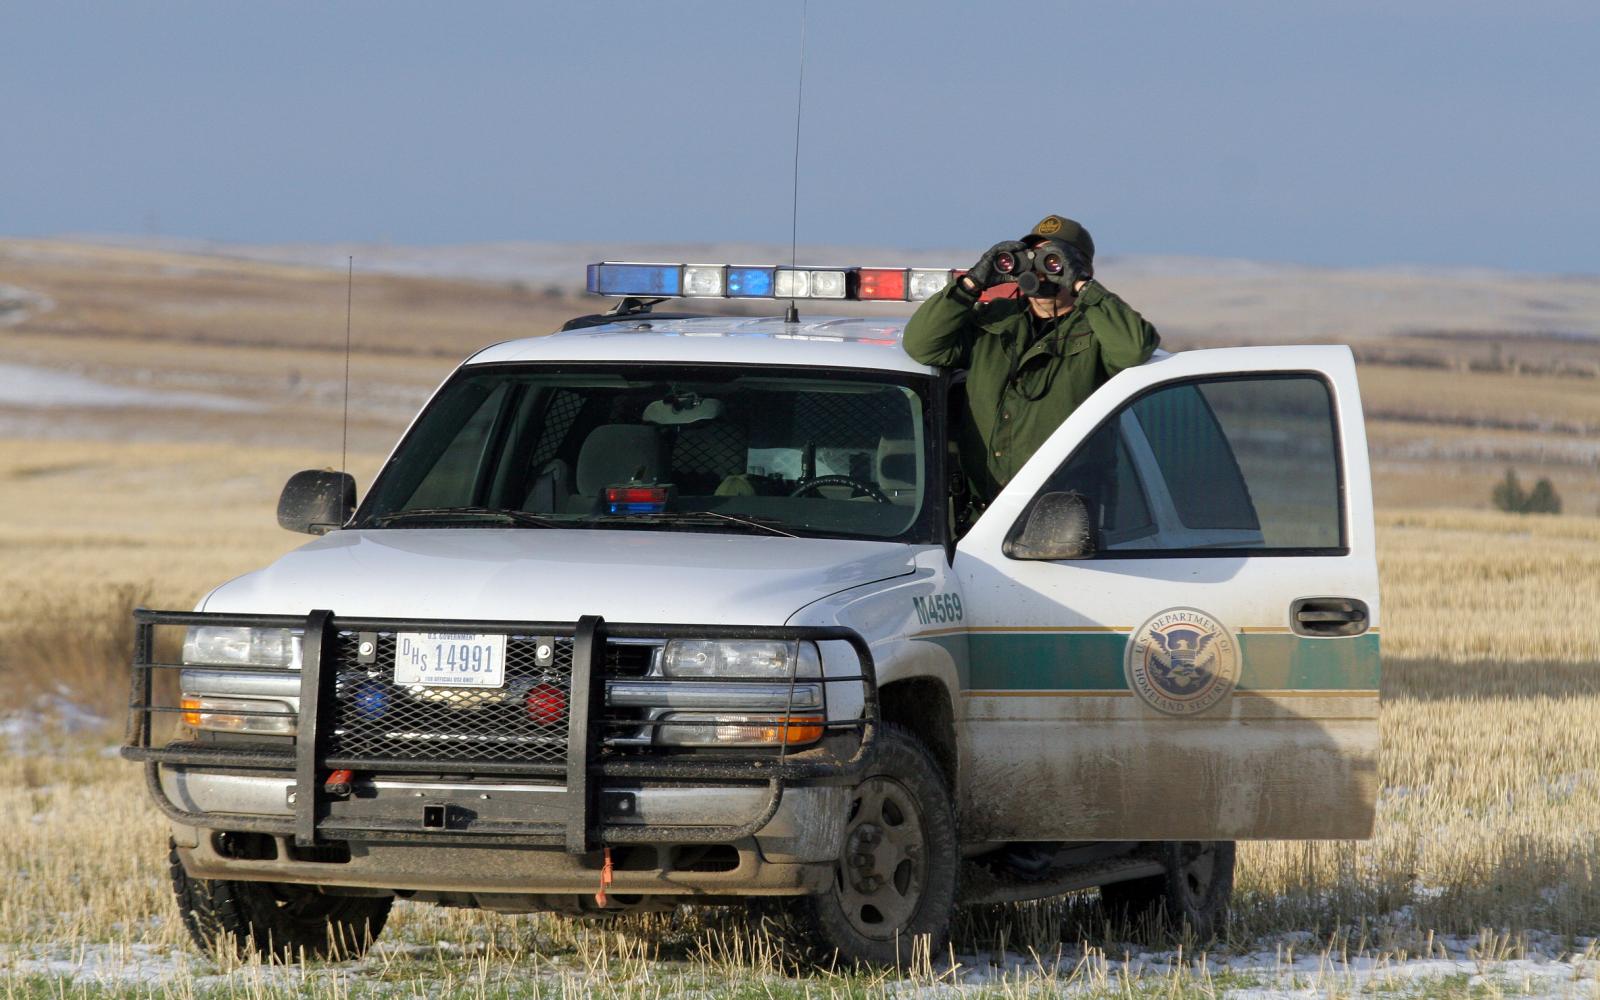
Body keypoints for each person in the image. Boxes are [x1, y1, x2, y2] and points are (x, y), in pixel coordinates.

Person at [903, 214, 1160, 520]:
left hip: (1061, 520)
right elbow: (922, 345)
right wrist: (972, 284)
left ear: (1082, 268)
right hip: (982, 513)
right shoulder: (994, 322)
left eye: (1053, 260)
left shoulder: (1097, 332)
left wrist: (1083, 286)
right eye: (1033, 258)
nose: (1042, 269)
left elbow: (1134, 348)